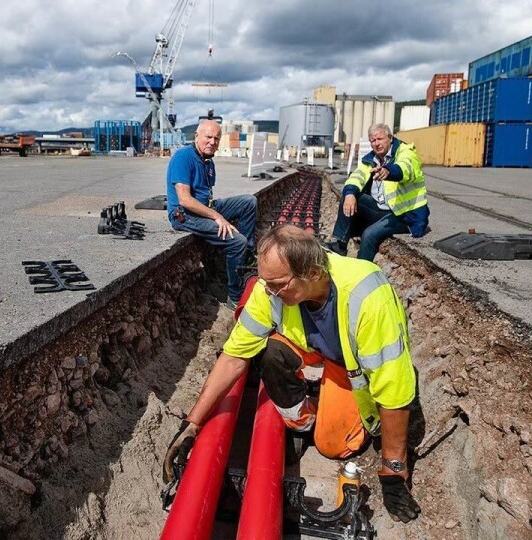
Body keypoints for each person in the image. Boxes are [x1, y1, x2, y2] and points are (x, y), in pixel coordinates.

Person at [162, 224, 422, 523]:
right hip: (315, 352)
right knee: (269, 351)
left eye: (278, 284)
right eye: (265, 282)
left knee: (334, 447)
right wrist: (192, 423)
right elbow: (234, 356)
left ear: (312, 273)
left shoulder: (367, 297)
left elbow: (394, 390)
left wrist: (393, 470)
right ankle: (302, 423)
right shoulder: (271, 288)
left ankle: (330, 418)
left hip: (350, 370)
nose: (268, 290)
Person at [167, 119, 257, 308]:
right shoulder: (183, 157)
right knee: (236, 240)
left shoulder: (208, 162)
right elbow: (185, 199)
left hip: (205, 207)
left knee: (249, 202)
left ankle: (246, 255)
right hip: (184, 215)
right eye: (208, 137)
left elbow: (205, 196)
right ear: (197, 136)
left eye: (216, 139)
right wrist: (217, 217)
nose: (212, 142)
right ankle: (234, 295)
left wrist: (215, 212)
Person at [327, 123, 430, 261]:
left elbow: (406, 168)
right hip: (383, 209)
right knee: (348, 195)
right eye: (373, 141)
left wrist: (389, 171)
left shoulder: (405, 152)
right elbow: (357, 177)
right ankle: (340, 246)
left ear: (390, 138)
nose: (376, 144)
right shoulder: (371, 159)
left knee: (369, 235)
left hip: (406, 214)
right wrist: (350, 193)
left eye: (380, 139)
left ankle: (362, 272)